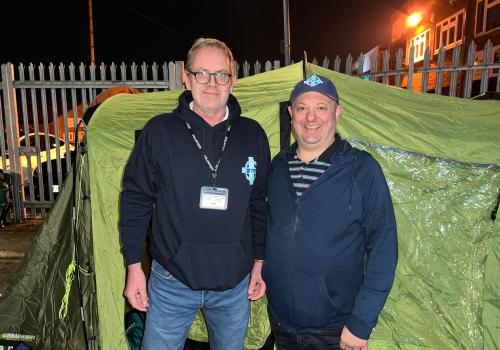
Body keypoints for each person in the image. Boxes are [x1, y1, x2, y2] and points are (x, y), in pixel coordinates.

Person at [119, 38, 271, 350]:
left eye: (221, 74)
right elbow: (135, 198)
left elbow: (259, 203)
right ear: (186, 78)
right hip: (171, 281)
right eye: (202, 73)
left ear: (233, 79)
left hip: (234, 284)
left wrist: (259, 261)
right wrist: (134, 267)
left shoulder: (252, 135)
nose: (212, 83)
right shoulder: (158, 132)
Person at [263, 75, 398, 350]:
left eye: (321, 107)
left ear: (337, 111)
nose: (311, 117)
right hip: (281, 322)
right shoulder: (278, 167)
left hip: (335, 329)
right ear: (291, 113)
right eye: (302, 108)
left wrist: (361, 324)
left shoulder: (362, 170)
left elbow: (384, 249)